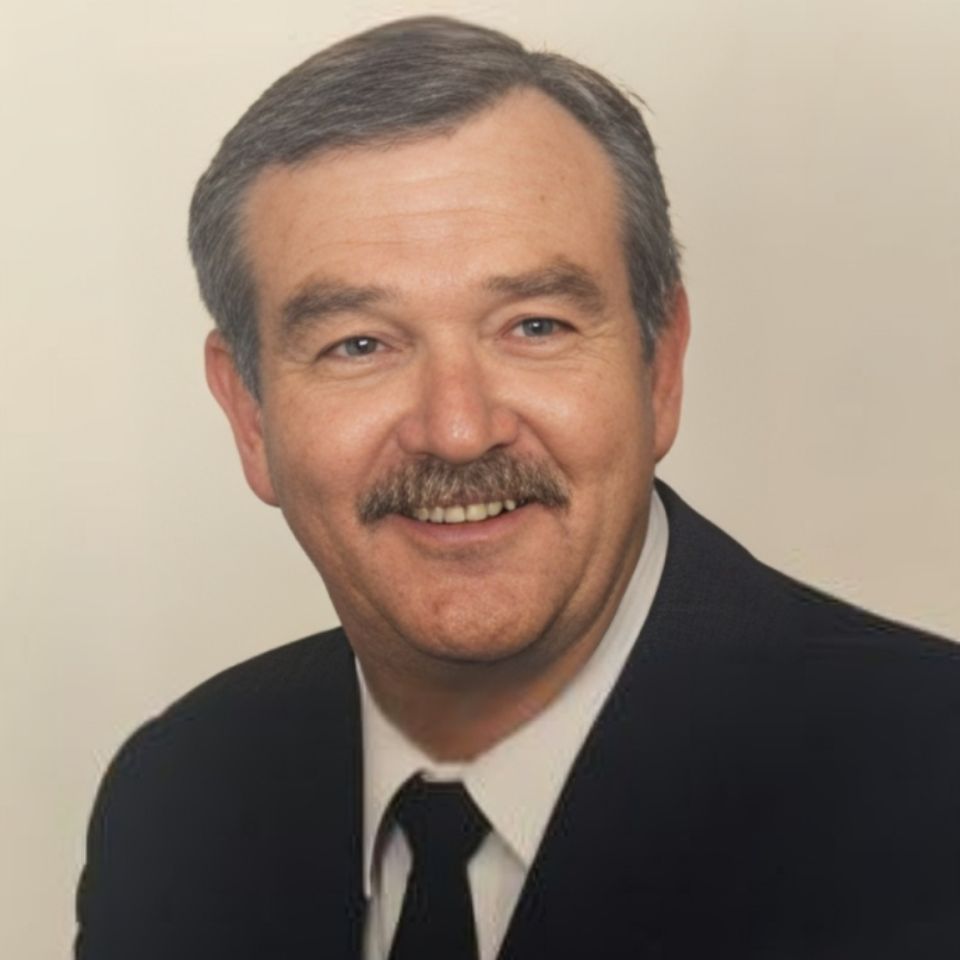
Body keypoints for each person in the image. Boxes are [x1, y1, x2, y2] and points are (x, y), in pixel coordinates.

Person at [76, 16, 960, 960]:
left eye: (534, 326)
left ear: (661, 366)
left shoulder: (932, 784)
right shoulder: (176, 801)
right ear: (249, 414)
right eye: (360, 345)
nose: (459, 429)